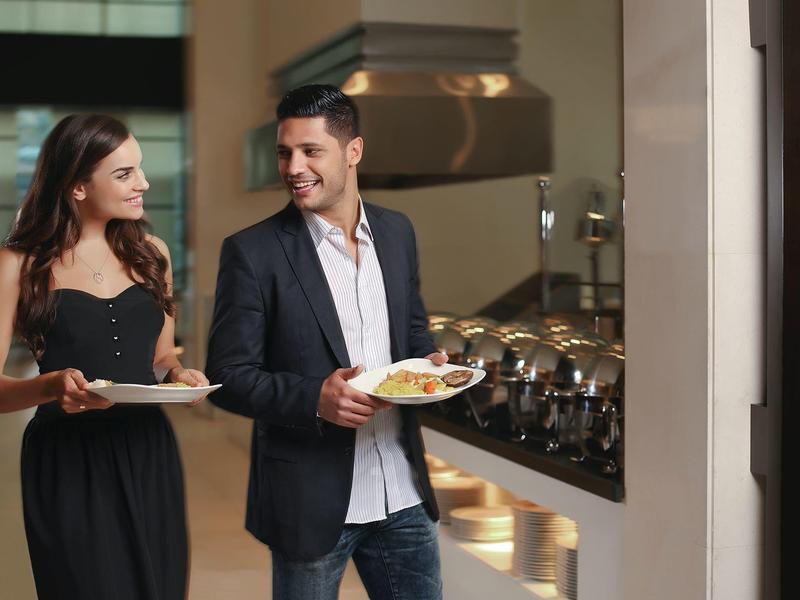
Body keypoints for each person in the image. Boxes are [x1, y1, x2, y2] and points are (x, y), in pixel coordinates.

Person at [206, 84, 446, 600]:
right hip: (309, 500)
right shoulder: (253, 252)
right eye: (284, 152)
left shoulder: (397, 232)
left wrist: (430, 363)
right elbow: (227, 376)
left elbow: (412, 329)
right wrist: (315, 398)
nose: (294, 167)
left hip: (403, 489)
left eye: (311, 151)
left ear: (353, 151)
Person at [0, 114, 209, 600]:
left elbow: (161, 358)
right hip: (68, 458)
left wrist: (179, 374)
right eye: (124, 173)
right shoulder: (17, 264)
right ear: (77, 186)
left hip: (148, 448)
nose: (144, 183)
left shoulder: (153, 254)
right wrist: (50, 386)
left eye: (140, 168)